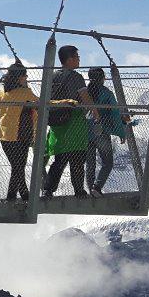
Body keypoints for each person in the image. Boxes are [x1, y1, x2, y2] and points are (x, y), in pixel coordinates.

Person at [43, 45, 92, 199]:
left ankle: (48, 190)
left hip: (57, 124)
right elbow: (85, 97)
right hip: (74, 122)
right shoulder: (76, 77)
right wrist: (95, 113)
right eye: (77, 57)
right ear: (70, 59)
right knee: (77, 160)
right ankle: (79, 190)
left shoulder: (52, 76)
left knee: (59, 160)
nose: (79, 60)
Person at [0, 62, 37, 202]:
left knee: (16, 167)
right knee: (19, 167)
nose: (26, 77)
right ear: (19, 77)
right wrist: (66, 102)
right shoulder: (26, 92)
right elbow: (42, 103)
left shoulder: (1, 93)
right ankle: (24, 195)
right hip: (22, 135)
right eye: (25, 75)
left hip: (5, 137)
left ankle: (11, 197)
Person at [83, 67, 129, 197]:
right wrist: (121, 131)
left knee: (90, 164)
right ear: (102, 78)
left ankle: (90, 188)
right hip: (101, 132)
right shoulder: (106, 93)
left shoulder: (84, 93)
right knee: (107, 163)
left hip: (86, 132)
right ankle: (97, 188)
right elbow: (114, 113)